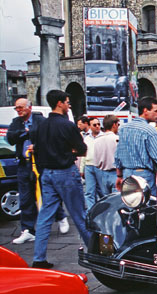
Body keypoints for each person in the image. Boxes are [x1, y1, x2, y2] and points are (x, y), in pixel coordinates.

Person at [30, 90, 90, 268]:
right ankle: (95, 252)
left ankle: (38, 258)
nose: (68, 105)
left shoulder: (40, 125)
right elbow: (82, 149)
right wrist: (71, 151)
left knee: (44, 217)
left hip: (47, 173)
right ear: (59, 103)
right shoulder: (67, 125)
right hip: (65, 172)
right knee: (79, 215)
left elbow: (37, 150)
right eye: (67, 102)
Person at [7, 98, 69, 244]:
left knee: (47, 193)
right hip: (23, 164)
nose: (18, 110)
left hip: (41, 163)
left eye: (21, 107)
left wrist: (34, 142)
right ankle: (28, 230)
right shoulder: (16, 122)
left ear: (29, 107)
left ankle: (60, 216)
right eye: (16, 108)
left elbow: (47, 138)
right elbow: (10, 138)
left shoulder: (40, 120)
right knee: (25, 197)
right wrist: (25, 132)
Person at [114, 96, 157, 195]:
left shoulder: (123, 129)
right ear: (145, 111)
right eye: (156, 111)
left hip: (127, 174)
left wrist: (119, 176)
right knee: (148, 206)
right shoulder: (149, 130)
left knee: (131, 204)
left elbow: (117, 155)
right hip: (144, 174)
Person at [81, 117, 104, 209]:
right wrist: (82, 169)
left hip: (100, 167)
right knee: (89, 192)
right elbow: (84, 155)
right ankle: (91, 212)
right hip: (89, 166)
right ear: (90, 126)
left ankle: (104, 210)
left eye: (98, 124)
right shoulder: (87, 139)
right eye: (94, 125)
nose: (97, 126)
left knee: (102, 192)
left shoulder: (103, 137)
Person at [94, 115, 120, 196]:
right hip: (116, 173)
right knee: (117, 200)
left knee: (107, 200)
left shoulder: (97, 140)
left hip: (103, 174)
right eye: (118, 125)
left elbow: (96, 162)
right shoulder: (117, 139)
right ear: (114, 125)